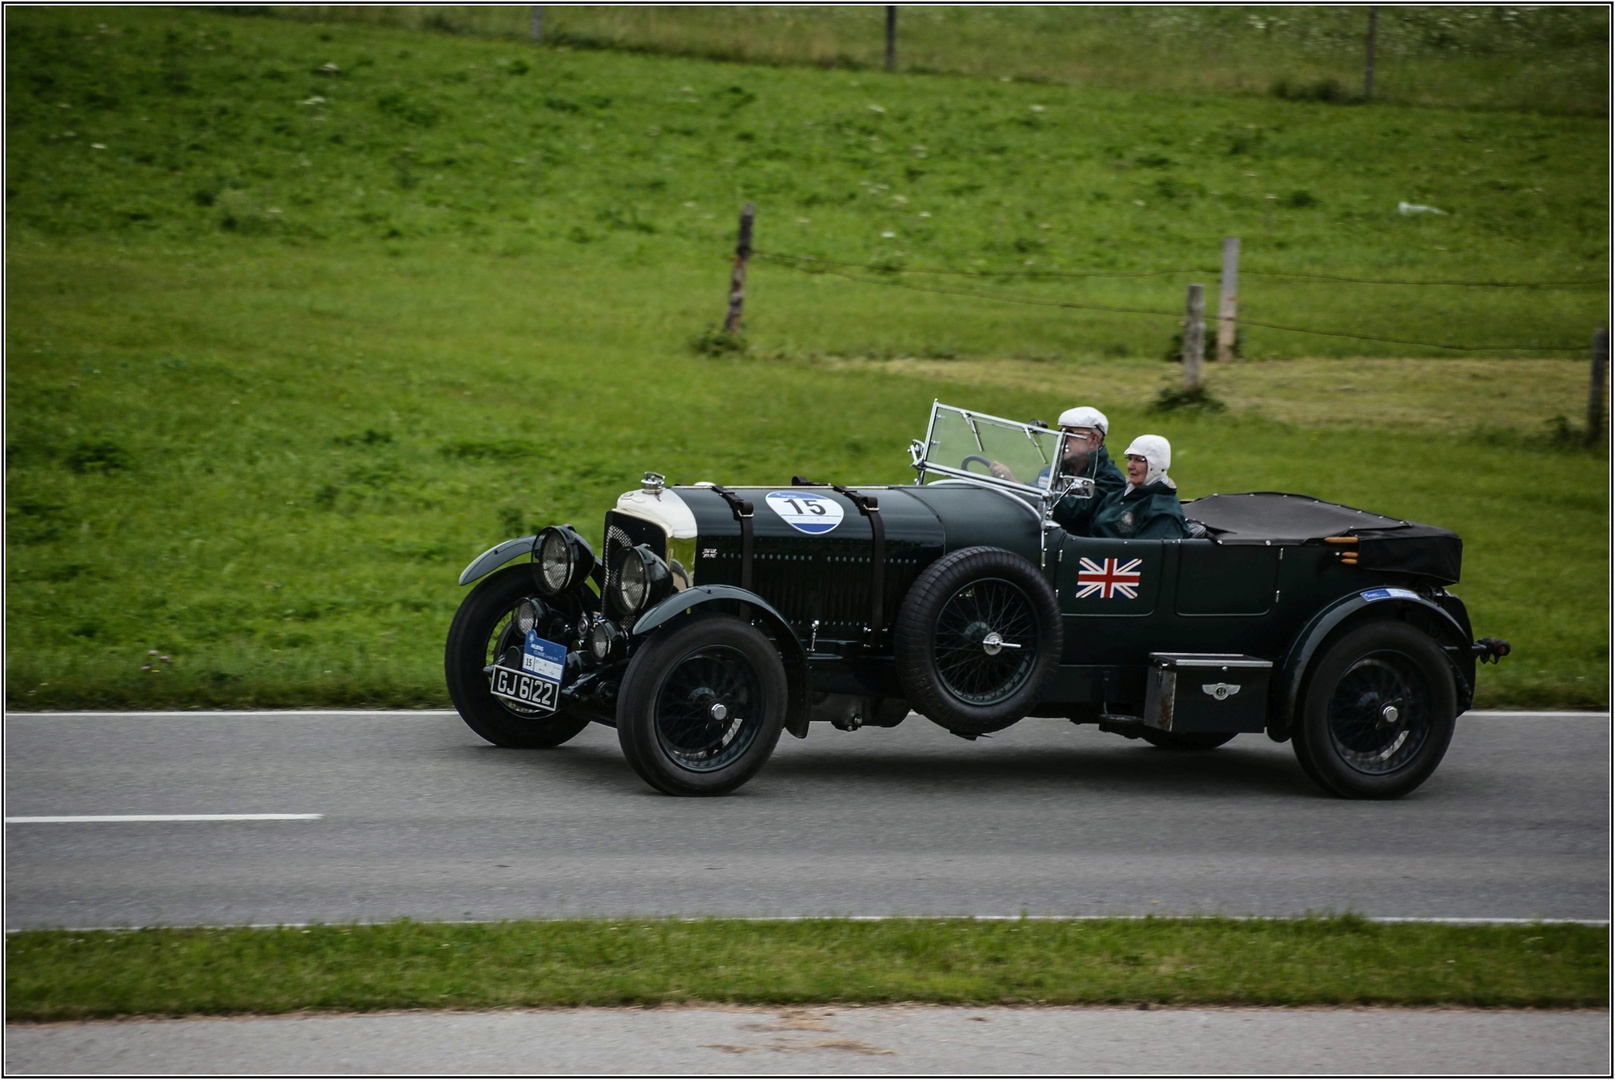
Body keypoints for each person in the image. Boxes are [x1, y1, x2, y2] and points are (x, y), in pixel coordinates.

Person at [1087, 434, 1190, 540]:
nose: (1130, 466)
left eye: (1138, 460)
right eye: (1130, 459)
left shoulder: (1164, 512)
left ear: (1156, 464)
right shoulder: (1115, 496)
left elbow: (1150, 553)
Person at [1048, 406, 1126, 534]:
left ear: (1093, 440)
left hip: (1080, 547)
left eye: (1070, 434)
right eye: (1061, 433)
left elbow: (1075, 510)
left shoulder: (1110, 479)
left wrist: (1029, 493)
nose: (1062, 439)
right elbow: (1037, 486)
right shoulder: (1059, 469)